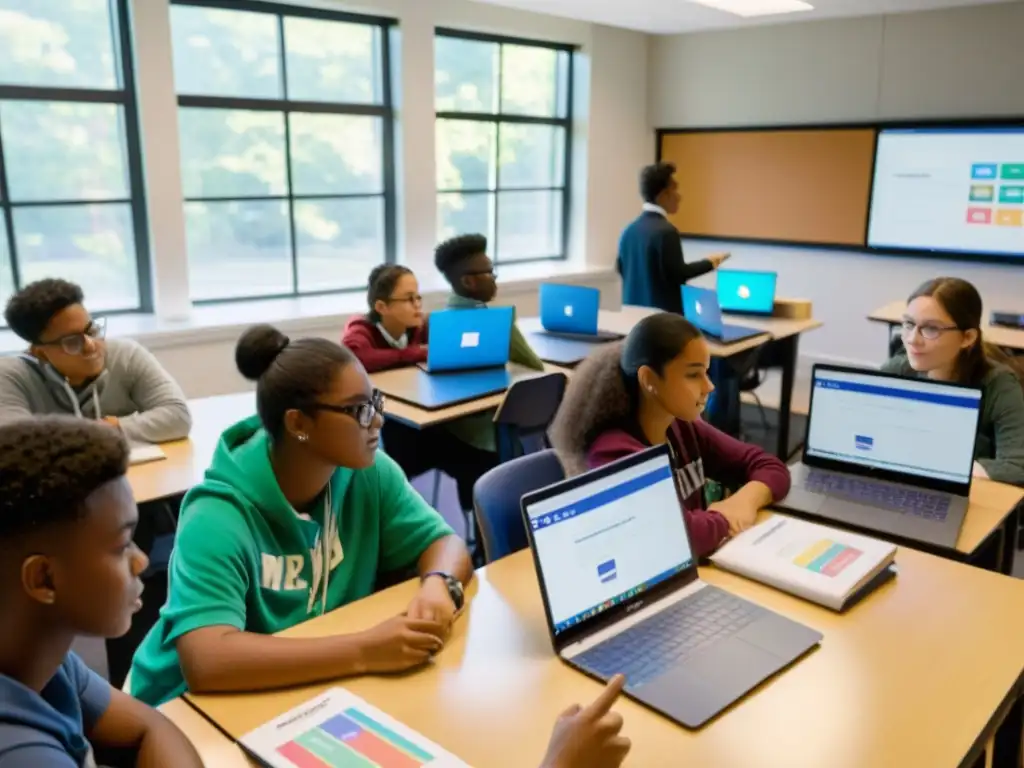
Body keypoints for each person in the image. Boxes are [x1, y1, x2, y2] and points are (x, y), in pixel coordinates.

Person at [128, 325, 473, 707]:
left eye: (376, 402)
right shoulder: (215, 516)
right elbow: (207, 661)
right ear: (298, 424)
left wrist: (440, 585)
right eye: (359, 410)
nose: (377, 421)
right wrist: (364, 650)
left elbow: (444, 541)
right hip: (185, 705)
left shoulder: (368, 472)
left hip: (302, 682)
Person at [0, 416, 202, 767]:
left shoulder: (42, 659)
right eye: (123, 545)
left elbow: (150, 726)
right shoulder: (20, 753)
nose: (141, 561)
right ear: (44, 579)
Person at [549, 313, 791, 558]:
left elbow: (770, 467)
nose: (709, 386)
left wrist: (742, 503)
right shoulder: (612, 453)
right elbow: (676, 533)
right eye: (693, 374)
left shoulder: (681, 426)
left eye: (706, 373)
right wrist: (724, 520)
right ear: (649, 380)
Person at [0, 278, 191, 444]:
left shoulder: (125, 354)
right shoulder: (10, 376)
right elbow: (13, 445)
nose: (91, 346)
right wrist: (95, 434)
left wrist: (112, 428)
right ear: (40, 353)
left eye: (92, 330)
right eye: (72, 341)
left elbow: (178, 416)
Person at [883, 277, 1024, 486]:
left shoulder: (1000, 385)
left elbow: (1017, 467)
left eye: (931, 329)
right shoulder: (896, 371)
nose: (912, 339)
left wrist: (943, 465)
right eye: (909, 324)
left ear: (967, 338)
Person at [433, 234, 544, 455]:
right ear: (468, 281)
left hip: (448, 430)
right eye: (490, 272)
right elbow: (535, 367)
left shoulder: (440, 323)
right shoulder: (498, 324)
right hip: (487, 437)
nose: (495, 279)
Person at [617, 163, 730, 314]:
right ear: (663, 195)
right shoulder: (666, 232)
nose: (679, 196)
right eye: (675, 189)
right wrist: (710, 262)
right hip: (663, 322)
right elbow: (678, 274)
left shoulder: (628, 231)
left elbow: (620, 269)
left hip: (632, 319)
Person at [342, 265, 428, 372]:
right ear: (381, 307)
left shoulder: (419, 326)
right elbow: (354, 359)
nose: (417, 305)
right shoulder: (360, 330)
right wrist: (412, 353)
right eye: (409, 298)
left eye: (418, 297)